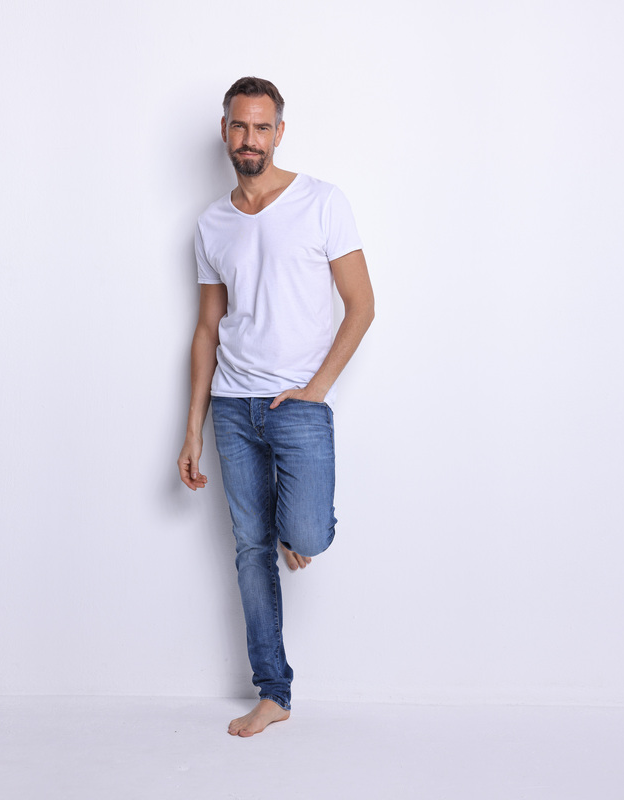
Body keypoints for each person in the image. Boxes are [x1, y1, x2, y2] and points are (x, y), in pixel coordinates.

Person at [177, 77, 374, 737]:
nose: (250, 139)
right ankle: (274, 693)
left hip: (298, 404)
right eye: (239, 126)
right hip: (233, 405)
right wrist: (192, 429)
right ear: (224, 130)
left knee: (307, 534)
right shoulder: (212, 223)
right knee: (250, 549)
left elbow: (362, 305)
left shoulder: (323, 202)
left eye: (262, 127)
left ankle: (295, 527)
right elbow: (207, 329)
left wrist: (315, 390)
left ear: (280, 133)